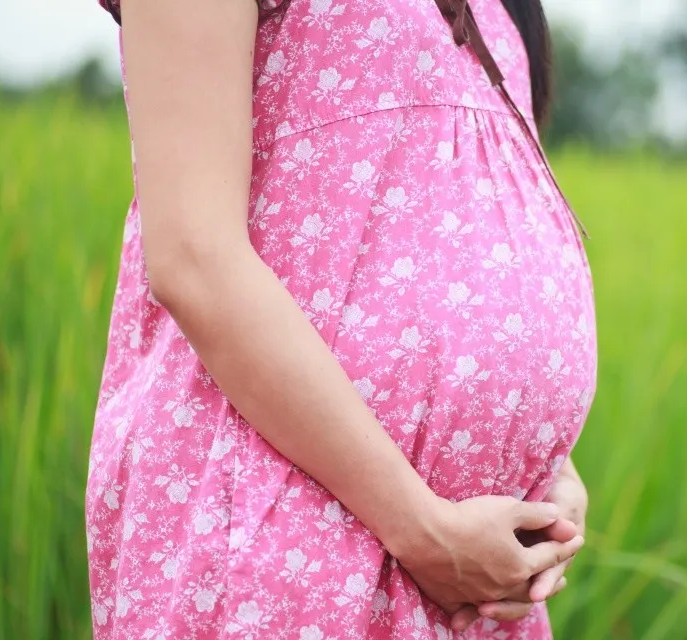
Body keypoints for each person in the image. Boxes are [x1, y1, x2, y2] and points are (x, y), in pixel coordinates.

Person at [85, 0, 598, 637]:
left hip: (475, 578)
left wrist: (551, 471)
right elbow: (194, 256)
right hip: (290, 530)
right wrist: (421, 529)